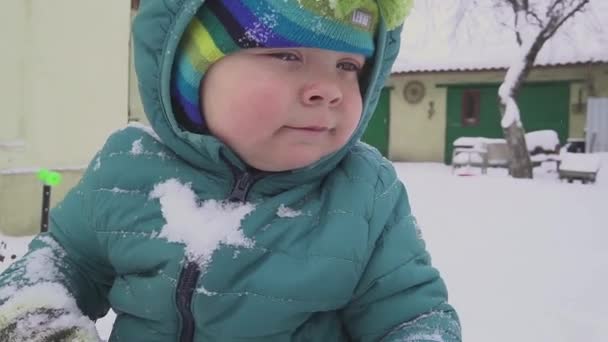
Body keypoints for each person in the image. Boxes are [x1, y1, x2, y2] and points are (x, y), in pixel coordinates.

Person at [0, 0, 461, 341]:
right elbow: (58, 262)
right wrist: (38, 322)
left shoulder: (364, 194)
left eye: (347, 66)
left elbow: (411, 316)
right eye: (287, 55)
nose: (330, 90)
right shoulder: (128, 168)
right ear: (191, 72)